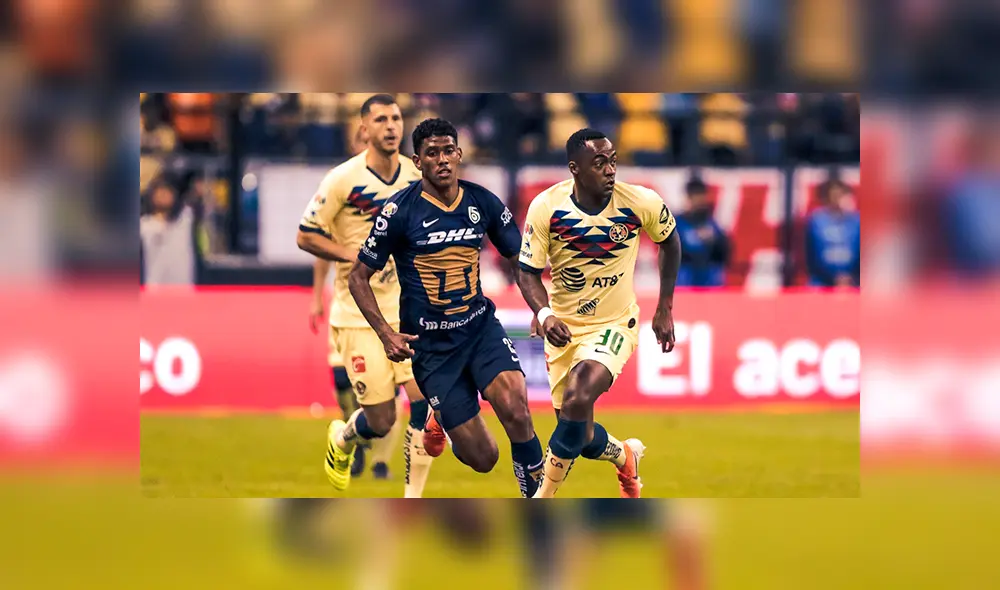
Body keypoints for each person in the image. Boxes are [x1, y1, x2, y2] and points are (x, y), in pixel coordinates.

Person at [344, 118, 545, 498]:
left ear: (459, 154)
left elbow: (521, 258)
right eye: (431, 153)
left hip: (479, 329)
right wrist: (386, 334)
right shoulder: (399, 212)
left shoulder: (481, 201)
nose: (442, 160)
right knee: (483, 458)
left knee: (518, 411)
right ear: (417, 161)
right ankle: (443, 420)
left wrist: (540, 309)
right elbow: (358, 277)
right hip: (433, 350)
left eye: (448, 150)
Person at [516, 128, 681, 498]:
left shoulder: (640, 202)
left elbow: (670, 241)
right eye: (599, 163)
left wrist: (665, 306)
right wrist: (544, 314)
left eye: (613, 161)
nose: (610, 170)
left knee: (577, 399)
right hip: (562, 329)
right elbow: (527, 271)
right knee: (578, 434)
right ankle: (623, 455)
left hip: (614, 324)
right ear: (575, 169)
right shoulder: (547, 207)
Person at [296, 94, 443, 498]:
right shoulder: (342, 179)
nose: (391, 126)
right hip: (358, 313)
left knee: (426, 404)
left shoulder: (417, 176)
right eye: (380, 119)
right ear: (364, 129)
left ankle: (413, 497)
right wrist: (355, 255)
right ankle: (343, 438)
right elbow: (305, 235)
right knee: (379, 419)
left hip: (409, 310)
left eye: (396, 118)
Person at [308, 262, 367, 478]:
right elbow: (321, 258)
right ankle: (354, 435)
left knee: (370, 384)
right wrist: (316, 298)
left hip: (377, 308)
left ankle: (364, 430)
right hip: (343, 309)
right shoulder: (337, 228)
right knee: (341, 378)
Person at [804, 177, 860, 288]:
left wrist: (852, 277)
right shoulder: (817, 221)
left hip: (854, 281)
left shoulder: (857, 222)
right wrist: (833, 278)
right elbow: (812, 256)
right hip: (822, 281)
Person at [675, 177, 730, 287]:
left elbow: (725, 252)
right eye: (697, 196)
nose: (700, 201)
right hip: (687, 276)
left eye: (702, 196)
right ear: (689, 198)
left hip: (708, 276)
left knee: (716, 273)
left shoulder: (711, 222)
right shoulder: (678, 222)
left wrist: (714, 240)